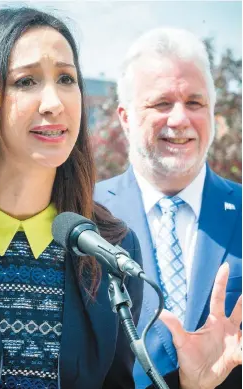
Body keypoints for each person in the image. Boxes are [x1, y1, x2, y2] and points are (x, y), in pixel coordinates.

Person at [0, 9, 240, 389]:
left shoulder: (110, 246)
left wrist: (194, 385)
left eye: (66, 78)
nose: (53, 102)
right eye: (26, 81)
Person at [95, 27, 242, 389]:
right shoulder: (83, 216)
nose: (180, 119)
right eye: (162, 103)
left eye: (195, 103)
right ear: (125, 116)